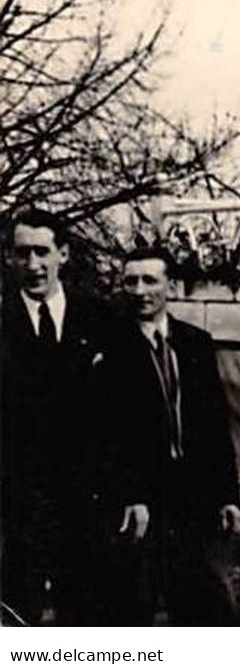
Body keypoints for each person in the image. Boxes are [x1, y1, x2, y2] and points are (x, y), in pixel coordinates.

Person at [99, 246, 240, 624]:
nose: (140, 290)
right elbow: (109, 434)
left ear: (171, 285)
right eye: (131, 281)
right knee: (136, 608)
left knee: (203, 607)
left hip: (195, 499)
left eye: (150, 280)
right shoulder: (111, 347)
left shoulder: (196, 342)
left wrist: (228, 496)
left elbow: (215, 425)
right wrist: (130, 495)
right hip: (144, 503)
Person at [0, 210, 109, 625]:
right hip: (18, 500)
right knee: (17, 612)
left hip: (87, 498)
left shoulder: (100, 318)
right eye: (21, 253)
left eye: (42, 252)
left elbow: (122, 414)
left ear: (62, 253)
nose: (33, 265)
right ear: (9, 257)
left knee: (85, 611)